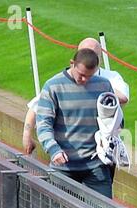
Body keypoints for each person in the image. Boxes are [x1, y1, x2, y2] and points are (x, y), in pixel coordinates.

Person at [22, 37, 129, 155]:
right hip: (67, 153)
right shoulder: (57, 83)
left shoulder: (109, 79)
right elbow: (37, 109)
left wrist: (97, 89)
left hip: (100, 152)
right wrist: (27, 135)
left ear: (100, 58)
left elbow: (124, 97)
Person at [36, 48, 114, 198]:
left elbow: (113, 119)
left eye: (90, 77)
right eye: (82, 75)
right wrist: (53, 149)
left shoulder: (104, 85)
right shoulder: (53, 86)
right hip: (63, 166)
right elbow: (44, 123)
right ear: (72, 64)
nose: (85, 80)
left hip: (95, 165)